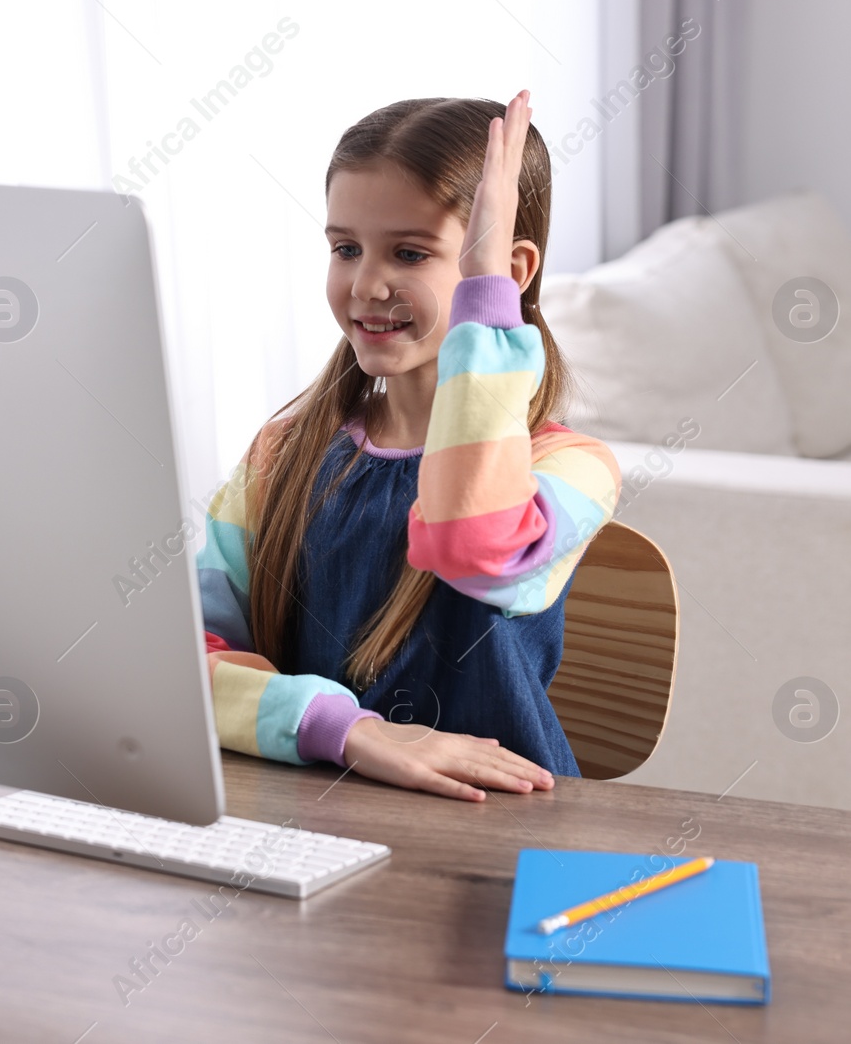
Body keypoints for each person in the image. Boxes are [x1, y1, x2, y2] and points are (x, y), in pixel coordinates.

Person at [197, 90, 620, 801]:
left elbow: (472, 544)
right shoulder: (280, 455)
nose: (366, 284)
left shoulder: (571, 467)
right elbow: (181, 662)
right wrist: (350, 729)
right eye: (346, 248)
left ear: (509, 272)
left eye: (411, 252)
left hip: (497, 828)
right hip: (320, 808)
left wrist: (487, 293)